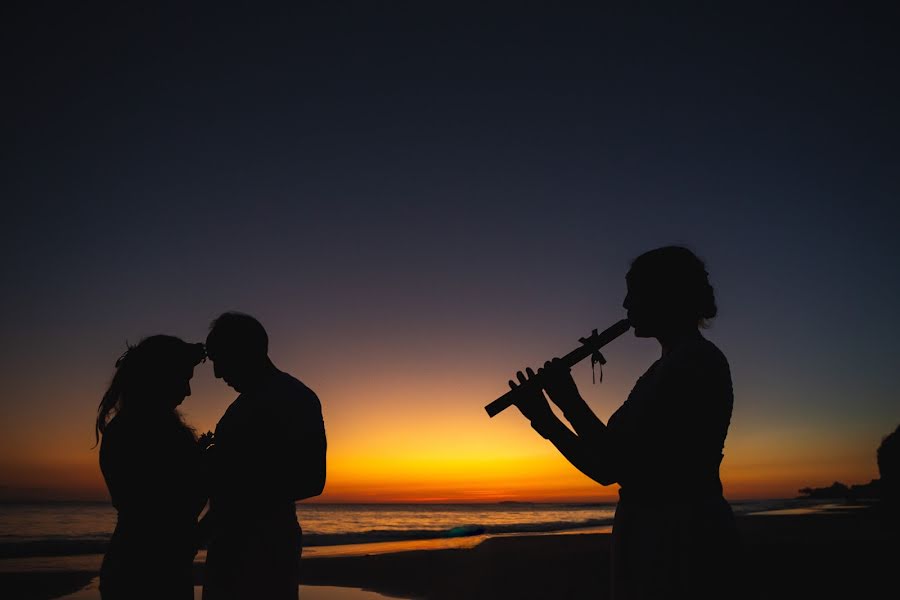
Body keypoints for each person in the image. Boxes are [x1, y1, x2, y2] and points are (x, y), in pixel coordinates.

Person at [510, 246, 740, 599]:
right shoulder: (666, 367)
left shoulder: (695, 363)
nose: (625, 304)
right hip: (654, 532)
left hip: (680, 538)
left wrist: (567, 401)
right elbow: (606, 467)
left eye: (634, 292)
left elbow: (613, 463)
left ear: (666, 295)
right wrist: (545, 419)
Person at [201, 312, 326, 600]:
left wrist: (236, 493)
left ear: (248, 351)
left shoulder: (294, 398)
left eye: (221, 358)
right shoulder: (240, 407)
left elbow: (312, 480)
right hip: (229, 547)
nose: (217, 373)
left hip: (266, 551)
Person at [95, 335, 209, 600]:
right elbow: (171, 508)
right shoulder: (142, 433)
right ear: (159, 378)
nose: (188, 391)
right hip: (149, 572)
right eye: (184, 380)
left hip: (139, 564)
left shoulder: (125, 429)